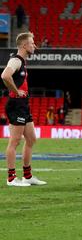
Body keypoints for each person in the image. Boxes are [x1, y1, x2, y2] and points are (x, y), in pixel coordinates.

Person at [2, 32, 46, 187]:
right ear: (24, 45)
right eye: (32, 43)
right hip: (16, 104)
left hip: (23, 105)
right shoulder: (16, 60)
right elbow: (5, 75)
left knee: (31, 139)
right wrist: (16, 90)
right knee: (14, 141)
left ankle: (27, 176)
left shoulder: (22, 61)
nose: (34, 45)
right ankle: (11, 178)